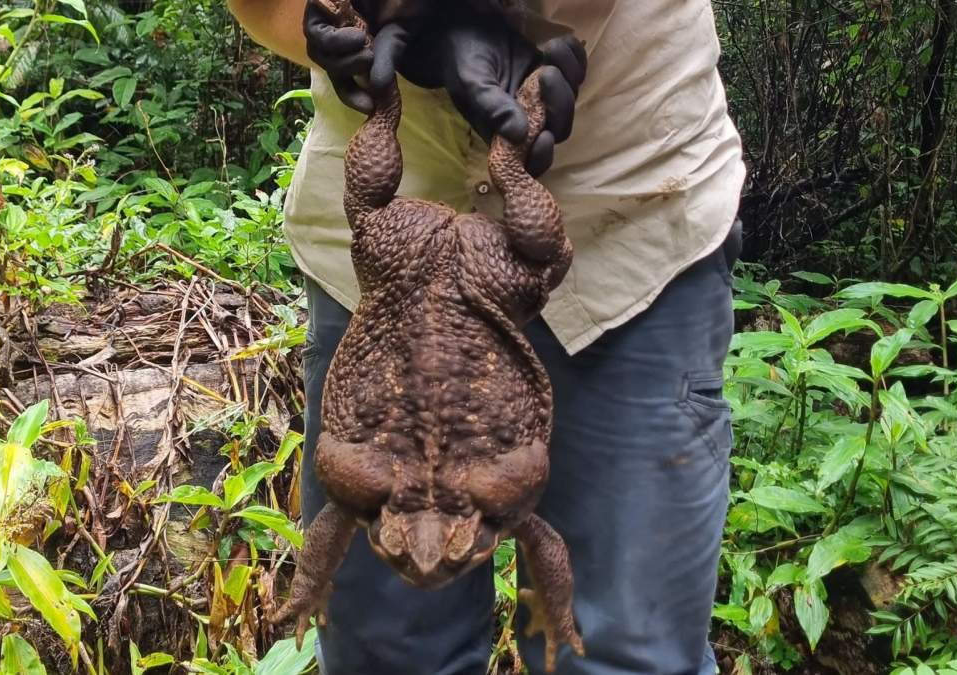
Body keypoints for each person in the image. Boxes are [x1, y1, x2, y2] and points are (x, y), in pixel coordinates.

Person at [226, 1, 746, 673]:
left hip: (624, 208)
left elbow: (525, 513)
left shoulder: (460, 495)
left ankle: (483, 151)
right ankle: (479, 147)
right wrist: (361, 29)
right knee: (382, 657)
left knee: (624, 654)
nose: (424, 557)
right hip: (401, 260)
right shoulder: (434, 495)